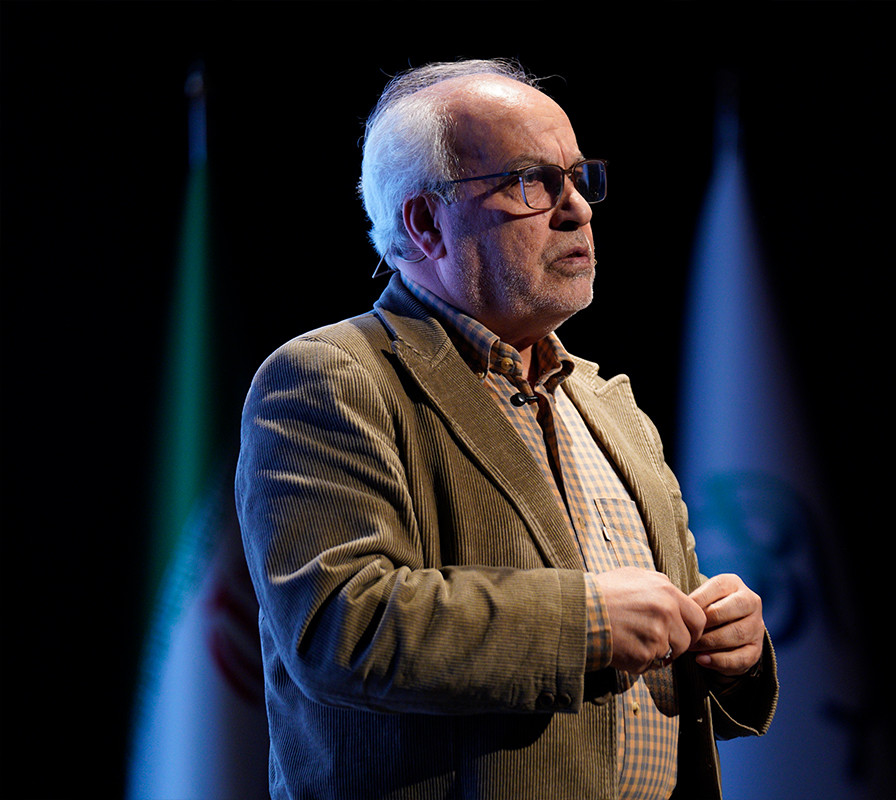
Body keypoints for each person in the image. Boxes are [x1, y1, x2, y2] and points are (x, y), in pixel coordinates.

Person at [235, 58, 778, 800]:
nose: (577, 209)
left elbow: (660, 634)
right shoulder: (332, 376)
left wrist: (731, 648)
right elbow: (339, 627)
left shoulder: (607, 404)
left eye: (578, 177)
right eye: (532, 181)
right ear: (426, 223)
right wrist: (586, 621)